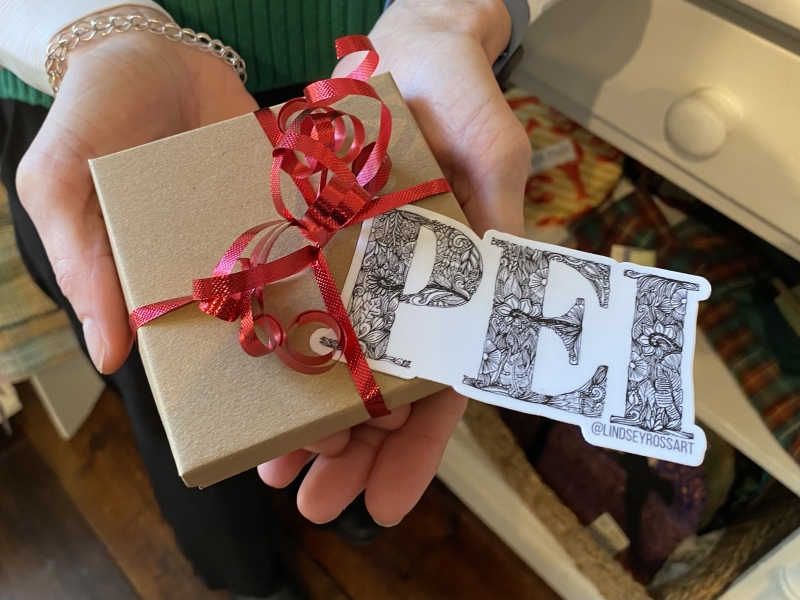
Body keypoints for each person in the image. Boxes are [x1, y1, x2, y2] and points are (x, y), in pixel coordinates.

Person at [0, 0, 553, 597]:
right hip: (118, 117)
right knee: (184, 409)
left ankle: (349, 515)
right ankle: (250, 580)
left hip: (369, 91)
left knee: (357, 411)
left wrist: (452, 11)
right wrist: (88, 30)